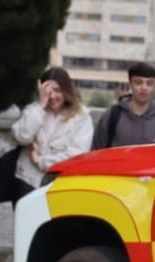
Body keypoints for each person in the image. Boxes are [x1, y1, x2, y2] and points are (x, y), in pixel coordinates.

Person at [9, 67, 93, 202]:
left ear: (66, 90)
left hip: (60, 186)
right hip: (27, 182)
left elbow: (76, 155)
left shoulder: (82, 118)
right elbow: (22, 137)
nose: (52, 96)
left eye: (57, 90)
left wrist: (40, 161)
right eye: (47, 91)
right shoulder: (33, 110)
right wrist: (40, 107)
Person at [92, 61, 155, 149]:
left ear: (154, 86)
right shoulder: (111, 116)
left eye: (149, 83)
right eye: (138, 82)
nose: (144, 88)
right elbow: (96, 152)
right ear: (130, 85)